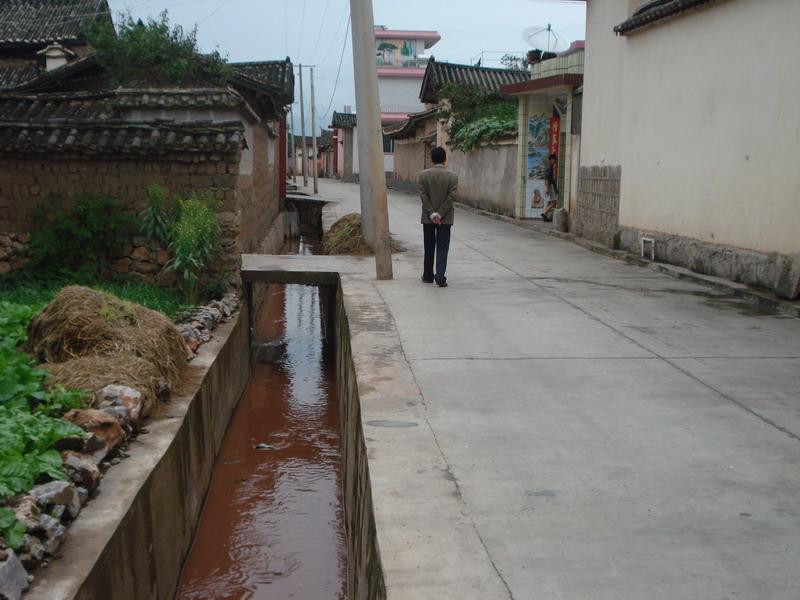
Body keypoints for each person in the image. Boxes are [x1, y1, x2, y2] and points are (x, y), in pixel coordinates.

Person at [419, 146, 458, 287]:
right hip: (445, 218)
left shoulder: (423, 175)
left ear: (431, 159)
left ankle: (428, 275)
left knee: (429, 246)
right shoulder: (452, 176)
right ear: (445, 159)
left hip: (428, 218)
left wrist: (432, 213)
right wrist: (440, 214)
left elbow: (423, 196)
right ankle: (440, 277)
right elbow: (451, 197)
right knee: (442, 247)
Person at [542, 153, 558, 222]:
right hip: (550, 186)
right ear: (551, 160)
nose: (555, 162)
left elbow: (546, 179)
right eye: (554, 160)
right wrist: (548, 188)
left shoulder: (548, 167)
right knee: (554, 203)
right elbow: (548, 179)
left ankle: (545, 217)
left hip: (549, 186)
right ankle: (544, 213)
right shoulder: (550, 168)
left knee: (548, 202)